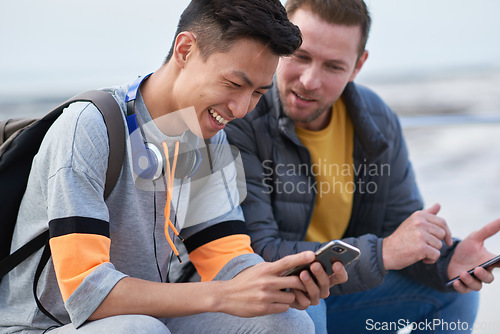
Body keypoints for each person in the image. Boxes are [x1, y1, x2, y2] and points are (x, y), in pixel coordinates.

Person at [0, 0, 350, 333]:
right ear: (185, 50)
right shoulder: (90, 127)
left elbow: (228, 260)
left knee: (288, 319)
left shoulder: (208, 140)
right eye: (234, 84)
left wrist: (280, 284)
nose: (242, 108)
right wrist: (225, 295)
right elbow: (86, 293)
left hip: (150, 319)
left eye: (258, 92)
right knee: (142, 329)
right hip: (49, 326)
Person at [225, 0, 500, 333]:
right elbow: (257, 254)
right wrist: (383, 252)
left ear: (358, 65)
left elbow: (399, 231)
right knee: (300, 308)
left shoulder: (377, 119)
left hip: (340, 292)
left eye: (334, 67)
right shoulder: (241, 115)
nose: (311, 80)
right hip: (263, 301)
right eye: (301, 56)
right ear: (279, 44)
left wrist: (444, 262)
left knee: (455, 293)